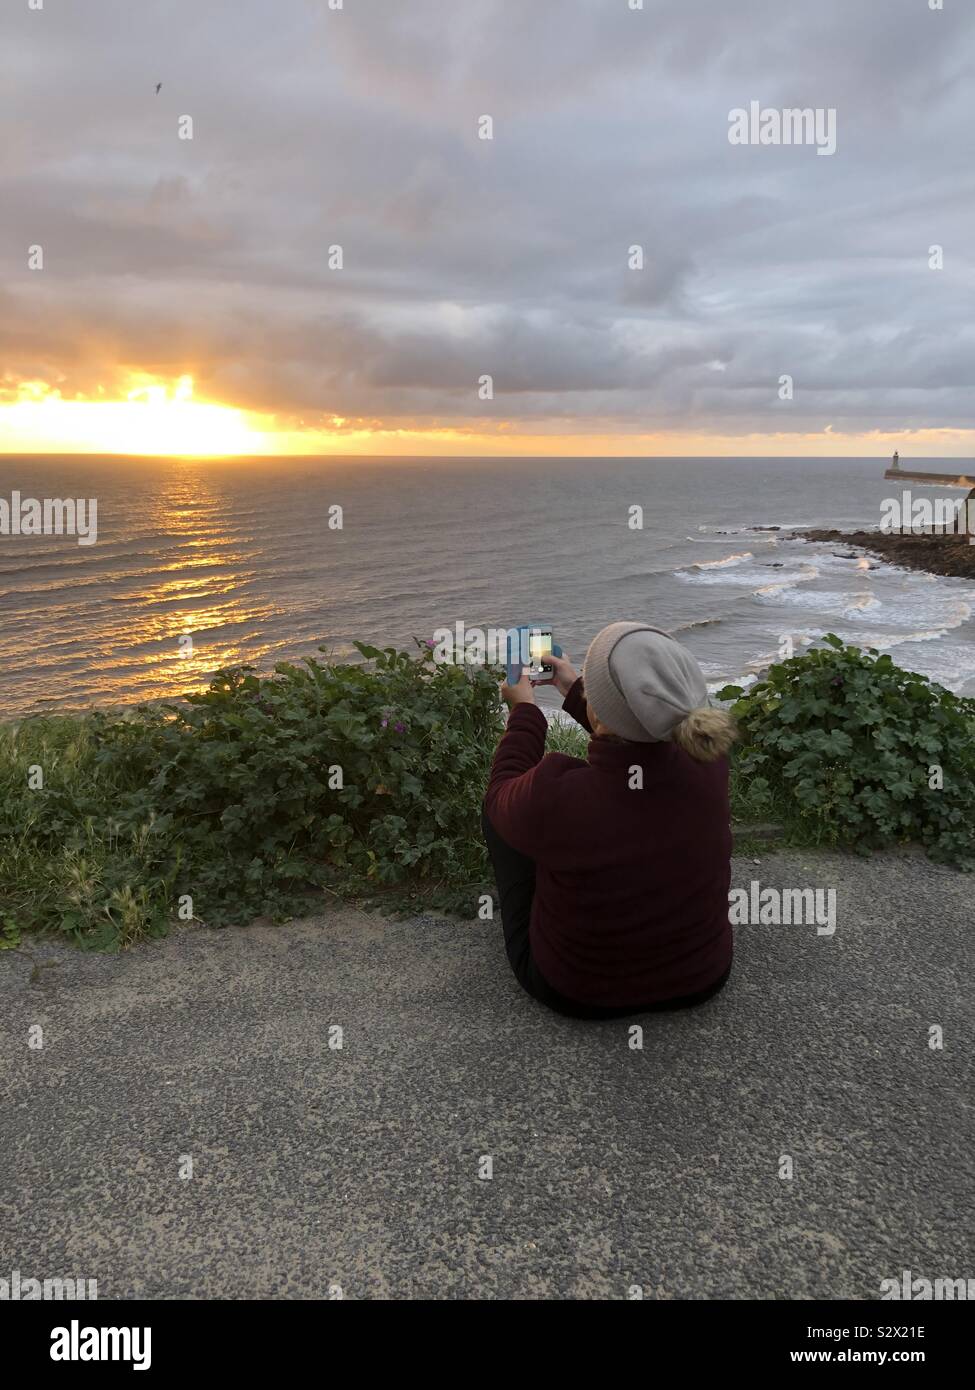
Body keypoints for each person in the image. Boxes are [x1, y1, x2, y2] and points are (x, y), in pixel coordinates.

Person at [482, 622, 737, 1019]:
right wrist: (576, 689)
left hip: (579, 991)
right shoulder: (709, 760)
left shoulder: (555, 796)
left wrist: (524, 712)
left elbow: (501, 792)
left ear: (597, 711)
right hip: (702, 977)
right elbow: (640, 739)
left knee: (502, 812)